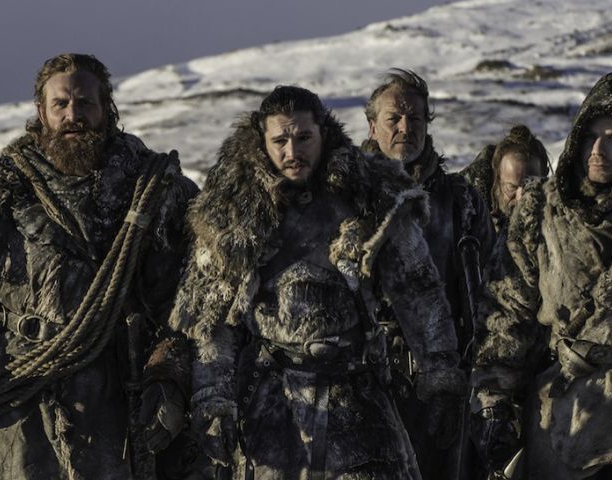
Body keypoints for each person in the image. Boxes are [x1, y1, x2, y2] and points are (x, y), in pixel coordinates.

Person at [169, 85, 465, 479]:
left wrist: (440, 374)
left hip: (357, 395)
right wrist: (213, 400)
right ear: (262, 141)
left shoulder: (369, 193)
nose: (292, 152)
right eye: (280, 141)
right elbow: (211, 321)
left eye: (304, 138)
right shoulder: (231, 212)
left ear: (323, 133)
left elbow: (418, 291)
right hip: (270, 400)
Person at [0, 53, 198, 479]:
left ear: (107, 108)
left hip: (119, 400)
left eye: (85, 103)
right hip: (17, 403)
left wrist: (170, 373)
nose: (73, 115)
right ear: (41, 112)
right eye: (60, 104)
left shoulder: (157, 190)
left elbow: (193, 300)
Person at [470, 72, 612, 479]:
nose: (598, 149)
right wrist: (494, 401)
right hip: (565, 411)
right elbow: (507, 311)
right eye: (591, 136)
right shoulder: (540, 211)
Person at [362, 68, 494, 479]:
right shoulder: (347, 197)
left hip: (445, 385)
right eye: (394, 118)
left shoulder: (462, 201)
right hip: (366, 384)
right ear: (372, 126)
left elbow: (493, 292)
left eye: (416, 118)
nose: (406, 128)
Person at [462, 124, 549, 228]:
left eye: (530, 187)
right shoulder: (464, 215)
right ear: (496, 178)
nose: (520, 198)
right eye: (512, 187)